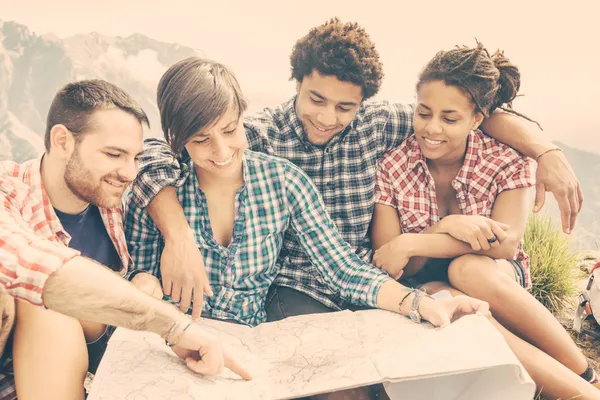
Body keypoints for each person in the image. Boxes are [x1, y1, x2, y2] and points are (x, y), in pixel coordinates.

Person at [128, 18, 583, 331]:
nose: (327, 117)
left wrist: (544, 151)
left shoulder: (381, 124)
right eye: (315, 99)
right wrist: (179, 237)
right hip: (297, 288)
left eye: (344, 106)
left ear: (363, 103)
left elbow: (463, 115)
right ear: (297, 84)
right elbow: (154, 154)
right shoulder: (257, 138)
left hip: (368, 276)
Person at [123, 57, 490, 400]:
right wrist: (147, 284)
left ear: (242, 118)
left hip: (253, 352)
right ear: (178, 135)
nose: (220, 151)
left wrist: (419, 304)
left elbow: (342, 268)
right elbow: (141, 272)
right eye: (200, 140)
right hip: (177, 346)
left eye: (230, 130)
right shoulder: (160, 193)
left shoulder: (283, 182)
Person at [370, 42, 599, 400]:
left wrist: (414, 240)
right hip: (426, 286)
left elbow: (505, 245)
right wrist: (442, 227)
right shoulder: (393, 165)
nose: (432, 128)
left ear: (478, 119)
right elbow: (393, 263)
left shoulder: (505, 160)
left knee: (468, 270)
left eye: (450, 118)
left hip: (497, 276)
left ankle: (584, 371)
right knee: (446, 298)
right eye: (424, 112)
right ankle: (579, 392)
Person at [0, 80, 249, 400]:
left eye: (135, 157)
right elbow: (46, 273)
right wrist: (175, 327)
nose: (130, 172)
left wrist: (168, 251)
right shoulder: (8, 192)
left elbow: (162, 153)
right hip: (24, 382)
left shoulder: (116, 200)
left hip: (117, 372)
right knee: (45, 305)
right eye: (114, 154)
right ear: (62, 141)